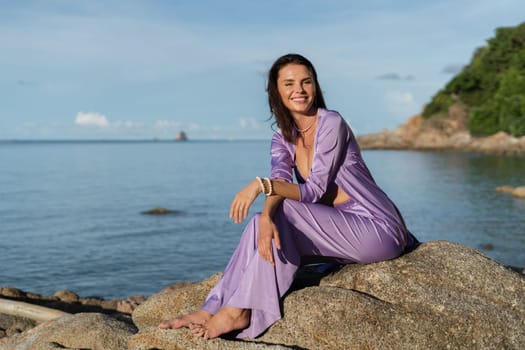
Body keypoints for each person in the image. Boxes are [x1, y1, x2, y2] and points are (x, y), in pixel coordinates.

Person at [159, 53, 418, 339]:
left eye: (307, 82)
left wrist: (260, 186)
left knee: (286, 211)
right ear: (276, 91)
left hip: (376, 228)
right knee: (260, 223)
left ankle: (238, 312)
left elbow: (313, 191)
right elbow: (281, 180)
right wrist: (268, 215)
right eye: (290, 83)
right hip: (338, 229)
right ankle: (211, 308)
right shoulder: (283, 137)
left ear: (316, 87)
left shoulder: (331, 123)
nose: (300, 90)